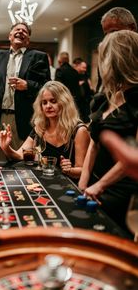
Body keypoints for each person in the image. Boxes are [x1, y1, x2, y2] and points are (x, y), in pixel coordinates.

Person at [78, 30, 138, 230]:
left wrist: (100, 185)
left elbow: (133, 157)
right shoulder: (105, 97)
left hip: (123, 195)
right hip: (95, 187)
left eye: (104, 58)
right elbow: (94, 144)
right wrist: (84, 181)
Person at [0, 81, 90, 180]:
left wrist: (69, 170)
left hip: (68, 185)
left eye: (53, 101)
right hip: (45, 182)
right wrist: (6, 147)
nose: (48, 106)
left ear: (64, 102)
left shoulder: (79, 130)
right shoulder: (40, 128)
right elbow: (21, 155)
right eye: (44, 102)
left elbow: (83, 171)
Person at [0, 22, 51, 161]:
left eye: (24, 31)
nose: (21, 32)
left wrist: (28, 85)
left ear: (28, 39)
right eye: (17, 30)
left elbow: (47, 87)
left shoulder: (38, 57)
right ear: (9, 36)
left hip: (24, 118)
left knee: (22, 161)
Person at [91, 7, 137, 112]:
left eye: (113, 31)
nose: (108, 38)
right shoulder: (107, 57)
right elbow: (102, 89)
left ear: (132, 28)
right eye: (105, 34)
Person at [55, 52, 83, 120]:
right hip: (74, 100)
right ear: (68, 60)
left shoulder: (59, 71)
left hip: (64, 100)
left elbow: (58, 87)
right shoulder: (75, 71)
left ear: (59, 61)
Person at [73, 57, 94, 123]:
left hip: (86, 101)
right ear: (78, 66)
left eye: (85, 68)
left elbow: (90, 87)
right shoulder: (73, 75)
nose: (85, 70)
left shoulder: (85, 75)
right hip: (77, 101)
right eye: (83, 68)